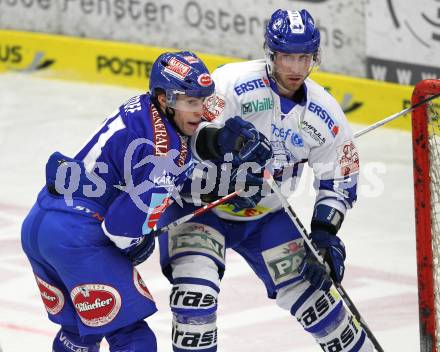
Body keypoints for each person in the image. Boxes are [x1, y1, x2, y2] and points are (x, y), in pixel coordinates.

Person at [20, 51, 271, 352]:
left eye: (203, 101)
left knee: (79, 333)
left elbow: (162, 169)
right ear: (166, 99)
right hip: (78, 239)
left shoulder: (142, 107)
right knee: (133, 339)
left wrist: (219, 149)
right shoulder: (164, 152)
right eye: (191, 102)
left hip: (41, 224)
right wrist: (141, 241)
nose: (201, 112)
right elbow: (121, 232)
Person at [157, 9, 374, 352]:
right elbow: (190, 132)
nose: (296, 69)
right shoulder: (232, 82)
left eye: (304, 58)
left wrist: (324, 233)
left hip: (267, 216)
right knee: (194, 304)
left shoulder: (325, 112)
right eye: (287, 57)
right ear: (271, 54)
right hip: (202, 209)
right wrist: (222, 141)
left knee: (324, 309)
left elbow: (340, 179)